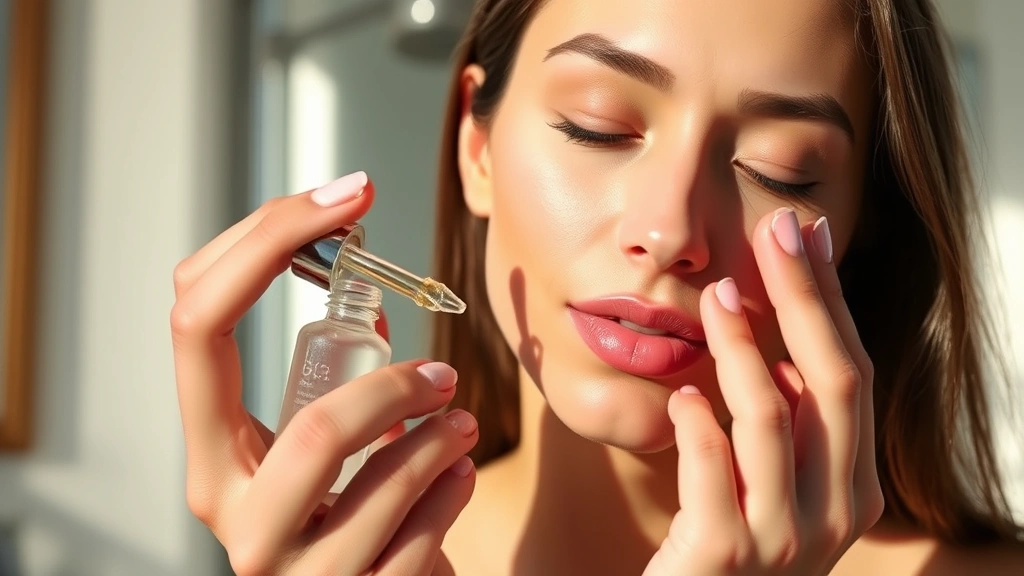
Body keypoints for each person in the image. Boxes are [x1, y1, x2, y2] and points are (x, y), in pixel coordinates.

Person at [170, 0, 1024, 574]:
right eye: (598, 127)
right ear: (477, 148)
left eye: (782, 173)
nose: (671, 231)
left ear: (861, 226)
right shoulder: (341, 555)